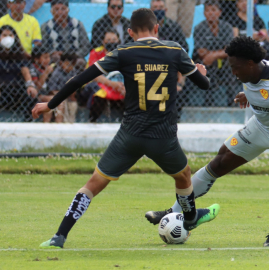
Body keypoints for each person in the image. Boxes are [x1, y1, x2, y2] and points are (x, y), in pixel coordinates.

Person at [33, 8, 219, 249]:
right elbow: (204, 85)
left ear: (130, 32)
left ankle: (59, 236)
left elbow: (81, 79)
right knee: (183, 176)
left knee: (92, 185)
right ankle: (191, 217)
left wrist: (50, 104)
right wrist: (202, 73)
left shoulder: (123, 52)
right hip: (163, 137)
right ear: (157, 28)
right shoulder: (175, 50)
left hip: (129, 134)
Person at [145, 36, 269, 247]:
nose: (233, 71)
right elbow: (262, 91)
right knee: (218, 163)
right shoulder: (249, 72)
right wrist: (248, 96)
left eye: (236, 67)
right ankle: (174, 212)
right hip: (262, 125)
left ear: (250, 64)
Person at [192, 0, 234, 106]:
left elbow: (229, 49)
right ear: (204, 13)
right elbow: (201, 52)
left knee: (231, 64)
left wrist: (213, 55)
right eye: (208, 10)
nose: (211, 13)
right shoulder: (199, 28)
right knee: (207, 64)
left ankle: (231, 101)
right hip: (205, 61)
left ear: (219, 12)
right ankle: (207, 101)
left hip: (222, 60)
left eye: (214, 10)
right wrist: (219, 52)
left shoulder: (227, 27)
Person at [87, 29, 125, 123]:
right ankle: (92, 120)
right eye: (108, 40)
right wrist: (112, 84)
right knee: (99, 92)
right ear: (103, 42)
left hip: (120, 84)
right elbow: (93, 75)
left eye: (113, 40)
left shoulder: (124, 53)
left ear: (118, 41)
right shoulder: (96, 53)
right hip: (101, 83)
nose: (110, 43)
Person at [0, 25, 37, 121]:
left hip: (17, 88)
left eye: (10, 35)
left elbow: (25, 71)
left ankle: (28, 124)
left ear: (15, 37)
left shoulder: (20, 55)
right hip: (1, 88)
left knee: (30, 96)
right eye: (4, 35)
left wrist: (30, 85)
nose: (7, 38)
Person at [29, 45, 63, 122]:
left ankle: (59, 124)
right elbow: (37, 87)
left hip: (46, 93)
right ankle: (46, 124)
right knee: (50, 101)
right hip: (37, 95)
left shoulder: (48, 68)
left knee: (61, 99)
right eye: (45, 58)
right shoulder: (32, 68)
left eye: (49, 57)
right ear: (36, 59)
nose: (48, 60)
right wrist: (46, 73)